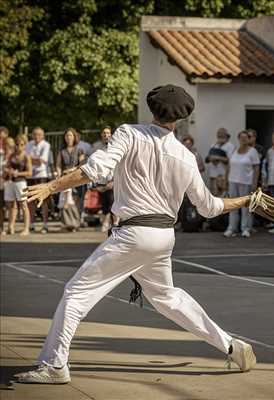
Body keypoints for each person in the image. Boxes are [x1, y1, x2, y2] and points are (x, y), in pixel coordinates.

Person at [15, 84, 256, 384]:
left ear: (152, 110)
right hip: (163, 238)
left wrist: (50, 187)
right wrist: (246, 200)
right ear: (178, 120)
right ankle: (232, 346)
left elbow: (96, 169)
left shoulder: (129, 133)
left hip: (134, 234)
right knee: (168, 298)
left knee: (76, 293)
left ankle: (54, 365)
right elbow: (209, 207)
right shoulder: (185, 155)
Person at [224, 130, 260, 238]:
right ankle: (231, 228)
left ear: (248, 139)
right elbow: (229, 166)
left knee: (245, 207)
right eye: (241, 138)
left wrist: (255, 182)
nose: (243, 140)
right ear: (238, 139)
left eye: (246, 138)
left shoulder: (252, 151)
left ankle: (245, 229)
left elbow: (256, 168)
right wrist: (226, 179)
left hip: (246, 182)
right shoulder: (234, 150)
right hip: (233, 181)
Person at [56, 128, 86, 232]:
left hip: (77, 178)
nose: (68, 137)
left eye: (70, 135)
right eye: (67, 135)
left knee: (75, 201)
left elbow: (82, 164)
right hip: (65, 178)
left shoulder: (80, 149)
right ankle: (66, 224)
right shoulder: (61, 151)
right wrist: (59, 175)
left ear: (74, 137)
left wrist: (73, 169)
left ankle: (75, 224)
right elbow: (59, 165)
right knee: (65, 201)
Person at [4, 134, 32, 235]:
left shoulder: (26, 157)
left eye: (21, 144)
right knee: (12, 205)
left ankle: (26, 228)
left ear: (25, 145)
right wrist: (8, 170)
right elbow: (6, 167)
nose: (19, 146)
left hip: (21, 182)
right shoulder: (11, 155)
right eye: (17, 144)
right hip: (11, 182)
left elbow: (30, 173)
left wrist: (17, 173)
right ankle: (10, 227)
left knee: (24, 205)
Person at [26, 127, 51, 233]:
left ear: (43, 135)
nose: (37, 136)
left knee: (44, 201)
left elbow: (42, 161)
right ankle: (31, 224)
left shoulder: (46, 145)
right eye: (35, 134)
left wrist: (31, 159)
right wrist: (33, 159)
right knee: (30, 201)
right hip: (31, 176)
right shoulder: (28, 144)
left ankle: (45, 225)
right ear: (32, 135)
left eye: (39, 134)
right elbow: (25, 158)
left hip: (42, 175)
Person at [92, 126, 114, 232]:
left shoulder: (115, 147)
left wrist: (114, 180)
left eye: (108, 133)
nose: (106, 135)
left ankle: (107, 222)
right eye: (104, 133)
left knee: (111, 202)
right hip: (100, 179)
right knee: (104, 203)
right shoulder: (96, 147)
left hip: (111, 179)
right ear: (101, 134)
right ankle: (108, 222)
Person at [205, 127, 235, 196]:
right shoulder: (213, 145)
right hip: (212, 175)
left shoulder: (230, 146)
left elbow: (230, 160)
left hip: (223, 176)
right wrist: (211, 159)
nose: (220, 135)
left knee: (222, 196)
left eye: (222, 134)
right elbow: (207, 158)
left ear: (226, 135)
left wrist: (217, 157)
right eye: (218, 134)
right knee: (213, 195)